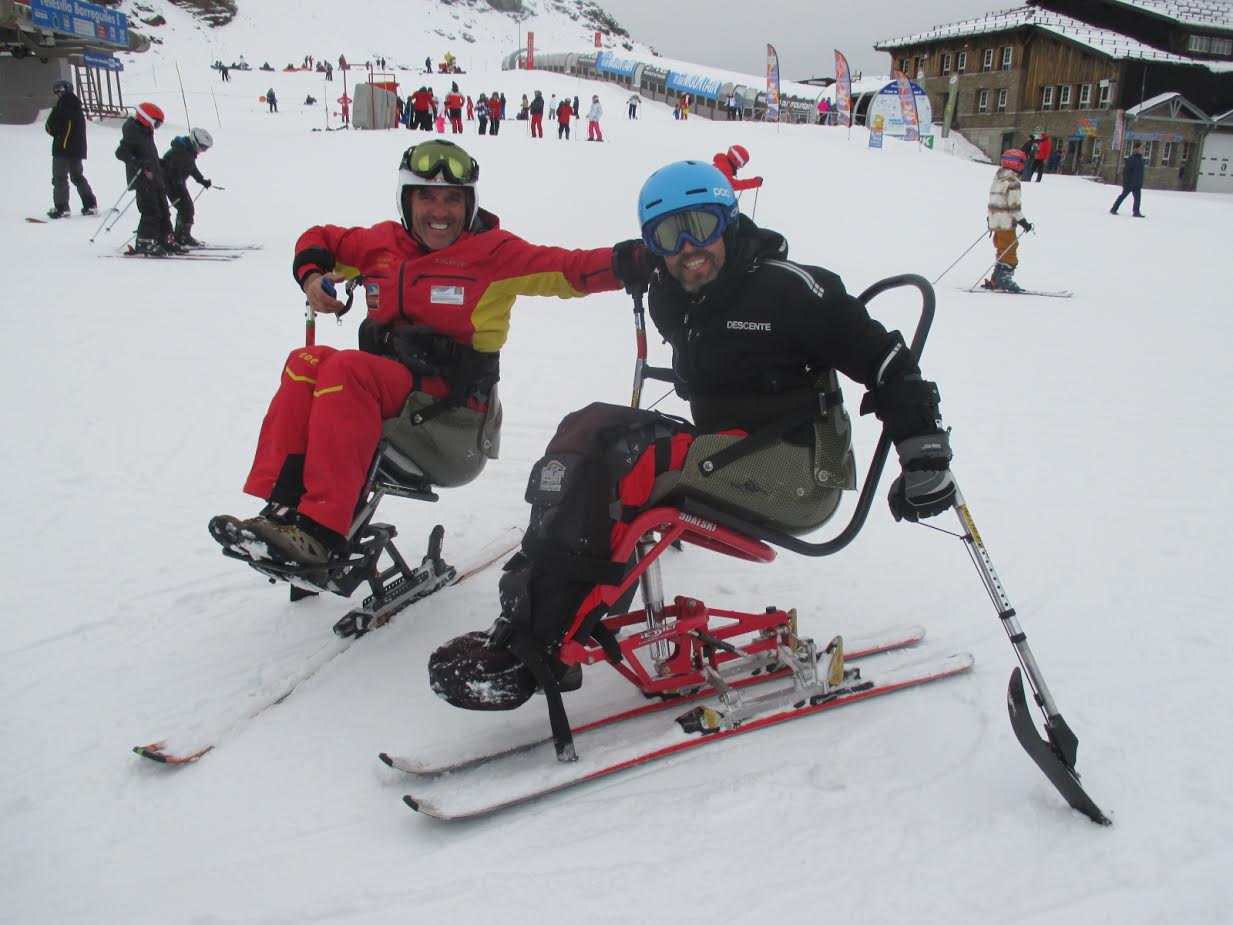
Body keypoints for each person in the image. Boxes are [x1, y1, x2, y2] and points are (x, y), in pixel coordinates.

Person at [428, 159, 958, 711]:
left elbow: (887, 360)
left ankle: (541, 645)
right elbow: (625, 264)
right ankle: (541, 612)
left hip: (800, 471)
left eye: (701, 226)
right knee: (587, 431)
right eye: (667, 235)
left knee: (634, 460)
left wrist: (922, 451)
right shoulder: (672, 289)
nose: (688, 247)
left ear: (729, 221)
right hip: (729, 452)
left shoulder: (790, 291)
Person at [208, 140, 629, 567]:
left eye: (452, 198)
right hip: (389, 401)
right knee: (306, 362)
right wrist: (313, 276)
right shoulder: (381, 246)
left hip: (453, 424)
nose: (440, 211)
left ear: (470, 204)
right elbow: (319, 239)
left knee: (348, 369)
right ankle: (283, 510)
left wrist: (635, 261)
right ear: (406, 200)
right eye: (426, 196)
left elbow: (570, 268)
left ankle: (320, 532)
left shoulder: (494, 254)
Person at [115, 101, 177, 256]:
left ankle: (164, 238)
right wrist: (138, 162)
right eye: (156, 123)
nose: (156, 127)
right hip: (143, 178)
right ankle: (145, 240)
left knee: (163, 210)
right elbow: (121, 153)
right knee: (151, 210)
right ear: (145, 118)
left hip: (155, 177)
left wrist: (160, 163)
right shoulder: (132, 131)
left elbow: (149, 155)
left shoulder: (145, 132)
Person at [44, 79, 98, 219]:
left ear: (61, 92)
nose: (57, 95)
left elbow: (50, 127)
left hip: (62, 149)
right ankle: (90, 204)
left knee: (60, 179)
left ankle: (62, 208)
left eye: (57, 92)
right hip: (77, 150)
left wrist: (58, 134)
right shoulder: (77, 107)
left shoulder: (61, 107)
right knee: (78, 177)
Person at [984, 148, 1033, 292]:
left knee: (1002, 249)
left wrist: (990, 218)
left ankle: (996, 278)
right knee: (1010, 250)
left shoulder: (998, 178)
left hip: (995, 221)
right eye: (1023, 163)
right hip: (1006, 222)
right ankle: (1004, 279)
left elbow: (993, 201)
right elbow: (1014, 207)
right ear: (1017, 164)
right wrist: (1024, 223)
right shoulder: (1013, 182)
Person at [161, 127, 214, 246]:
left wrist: (202, 180)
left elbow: (191, 168)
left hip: (177, 183)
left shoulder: (188, 151)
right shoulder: (181, 152)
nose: (203, 151)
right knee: (186, 208)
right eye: (203, 148)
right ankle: (182, 236)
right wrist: (177, 182)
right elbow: (172, 170)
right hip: (170, 184)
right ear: (195, 142)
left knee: (186, 208)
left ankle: (181, 235)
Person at [1111, 143, 1146, 217]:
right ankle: (1114, 209)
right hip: (1129, 183)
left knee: (1137, 199)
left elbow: (1140, 173)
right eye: (1142, 149)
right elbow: (1126, 171)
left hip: (1137, 184)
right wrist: (1126, 181)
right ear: (1137, 149)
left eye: (1144, 149)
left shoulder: (1141, 160)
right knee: (1123, 196)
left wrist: (1140, 182)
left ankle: (1136, 212)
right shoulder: (1131, 159)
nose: (1143, 150)